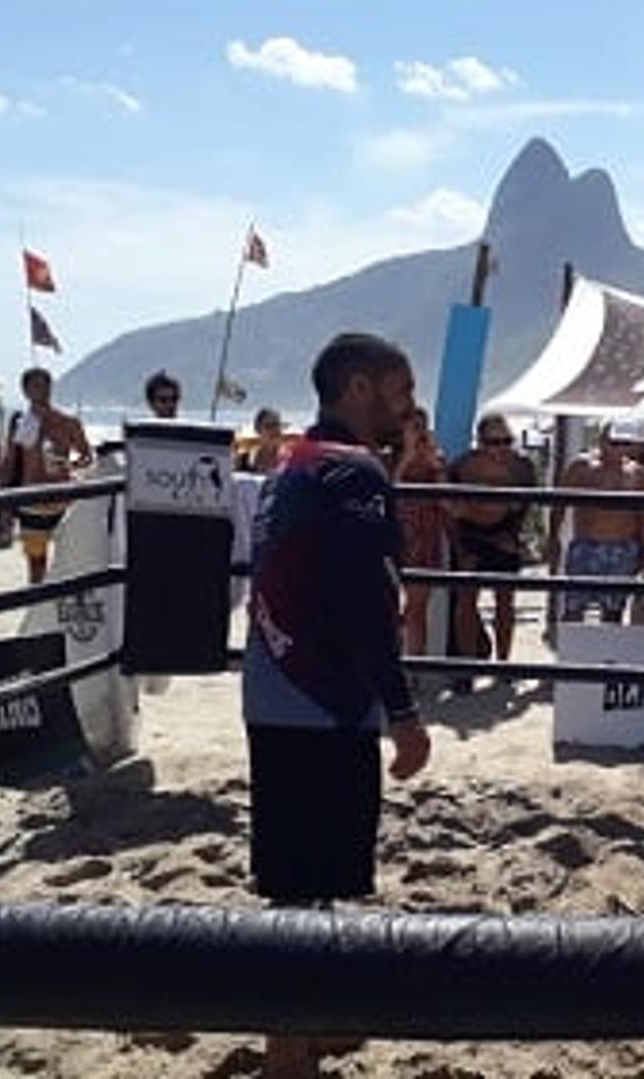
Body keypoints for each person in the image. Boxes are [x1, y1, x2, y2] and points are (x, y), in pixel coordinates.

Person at [241, 333, 427, 1076]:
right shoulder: (354, 475)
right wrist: (405, 712)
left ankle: (304, 1029)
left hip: (275, 682)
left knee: (300, 877)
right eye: (400, 387)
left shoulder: (295, 461)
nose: (409, 405)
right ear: (358, 387)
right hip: (321, 695)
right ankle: (289, 1051)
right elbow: (363, 602)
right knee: (302, 881)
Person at [447, 414, 537, 662]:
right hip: (469, 535)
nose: (501, 448)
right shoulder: (463, 466)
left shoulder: (522, 467)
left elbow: (527, 505)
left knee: (505, 602)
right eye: (493, 442)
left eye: (506, 441)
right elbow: (451, 511)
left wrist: (515, 537)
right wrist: (459, 547)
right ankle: (466, 666)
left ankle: (504, 662)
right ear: (480, 442)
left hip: (505, 533)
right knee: (466, 602)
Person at [550, 427, 644, 625]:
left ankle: (607, 654)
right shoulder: (581, 467)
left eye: (624, 443)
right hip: (586, 546)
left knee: (613, 610)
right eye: (613, 443)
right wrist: (553, 538)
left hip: (621, 548)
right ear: (601, 441)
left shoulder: (637, 474)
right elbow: (558, 504)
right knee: (574, 607)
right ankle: (570, 651)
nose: (617, 449)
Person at [1, 367, 91, 584]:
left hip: (63, 500)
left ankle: (59, 609)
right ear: (25, 391)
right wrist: (3, 503)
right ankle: (37, 606)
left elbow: (87, 456)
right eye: (36, 386)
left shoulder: (67, 422)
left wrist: (70, 465)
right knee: (36, 563)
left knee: (69, 560)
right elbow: (10, 463)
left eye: (46, 385)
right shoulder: (21, 423)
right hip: (31, 500)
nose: (42, 391)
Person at [395, 406, 447, 666]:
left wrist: (435, 466)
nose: (418, 432)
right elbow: (385, 490)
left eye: (421, 427)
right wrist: (406, 456)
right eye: (412, 427)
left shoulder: (434, 458)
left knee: (416, 609)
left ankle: (414, 666)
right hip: (394, 536)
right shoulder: (391, 456)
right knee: (385, 606)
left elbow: (447, 501)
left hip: (425, 536)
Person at [237, 408, 287, 474]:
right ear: (258, 429)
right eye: (268, 427)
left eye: (277, 425)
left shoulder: (289, 458)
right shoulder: (247, 459)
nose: (274, 431)